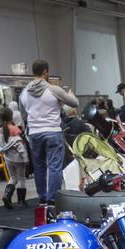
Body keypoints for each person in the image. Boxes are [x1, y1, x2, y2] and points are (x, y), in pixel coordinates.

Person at [20, 60, 79, 205]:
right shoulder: (54, 89)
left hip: (34, 133)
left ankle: (42, 198)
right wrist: (69, 95)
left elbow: (23, 115)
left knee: (39, 167)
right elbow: (74, 103)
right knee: (54, 167)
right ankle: (52, 199)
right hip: (52, 131)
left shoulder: (24, 93)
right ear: (45, 71)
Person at [0, 107, 30, 209]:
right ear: (11, 117)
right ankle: (21, 200)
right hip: (18, 158)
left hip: (7, 158)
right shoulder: (15, 129)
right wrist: (25, 158)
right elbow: (20, 145)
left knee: (13, 178)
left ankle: (7, 195)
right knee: (21, 178)